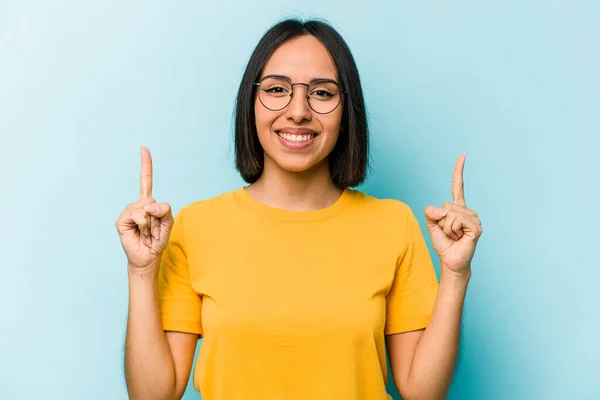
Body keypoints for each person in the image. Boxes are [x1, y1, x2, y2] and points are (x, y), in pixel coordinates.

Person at [116, 18, 483, 400]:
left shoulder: (393, 224)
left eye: (322, 94)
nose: (298, 111)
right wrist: (141, 270)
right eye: (277, 89)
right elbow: (154, 395)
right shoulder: (195, 226)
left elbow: (423, 392)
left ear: (346, 112)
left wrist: (456, 274)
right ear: (250, 103)